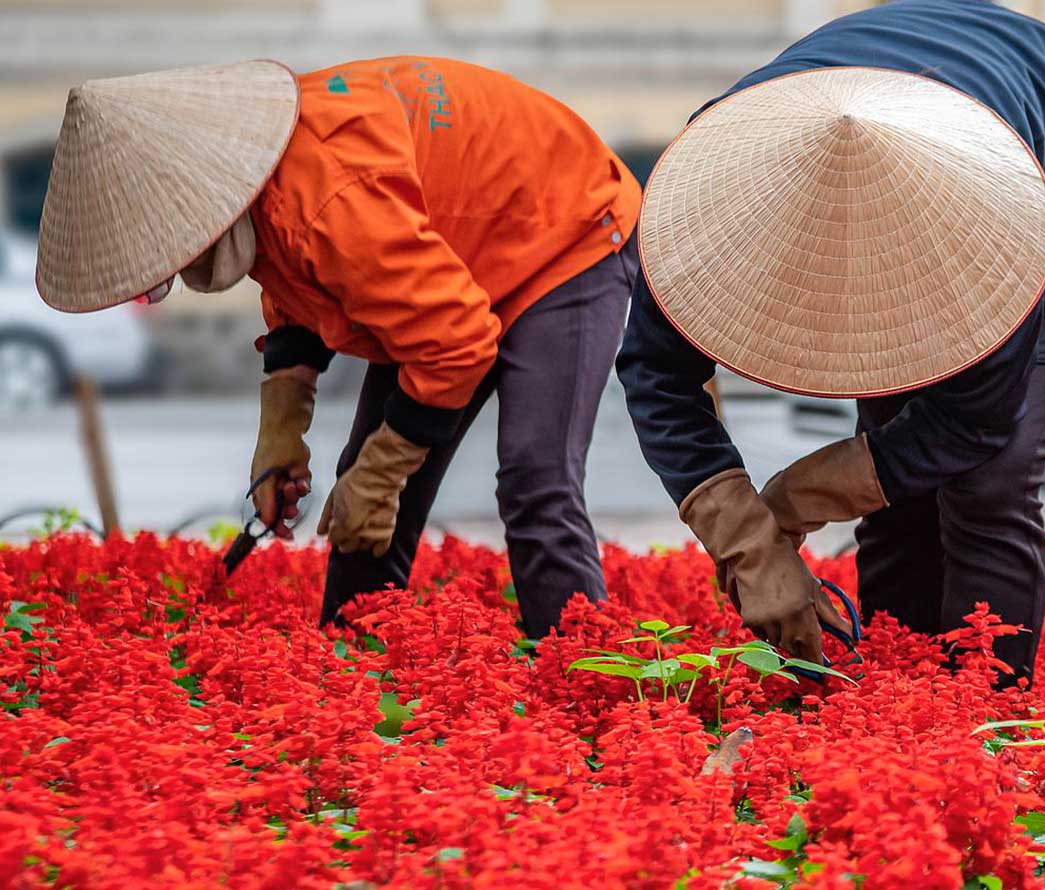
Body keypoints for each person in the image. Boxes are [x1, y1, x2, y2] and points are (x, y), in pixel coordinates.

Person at [619, 0, 1045, 680]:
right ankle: (894, 694)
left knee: (989, 483)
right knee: (902, 486)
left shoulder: (987, 222)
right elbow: (655, 372)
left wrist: (793, 500)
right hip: (918, 96)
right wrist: (748, 542)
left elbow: (973, 425)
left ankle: (984, 719)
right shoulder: (704, 197)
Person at [36, 58, 641, 638]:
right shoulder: (269, 187)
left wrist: (381, 477)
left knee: (535, 480)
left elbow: (455, 343)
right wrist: (281, 434)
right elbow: (298, 289)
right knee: (364, 476)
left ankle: (582, 683)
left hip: (567, 232)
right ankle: (356, 661)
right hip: (458, 261)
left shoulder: (328, 200)